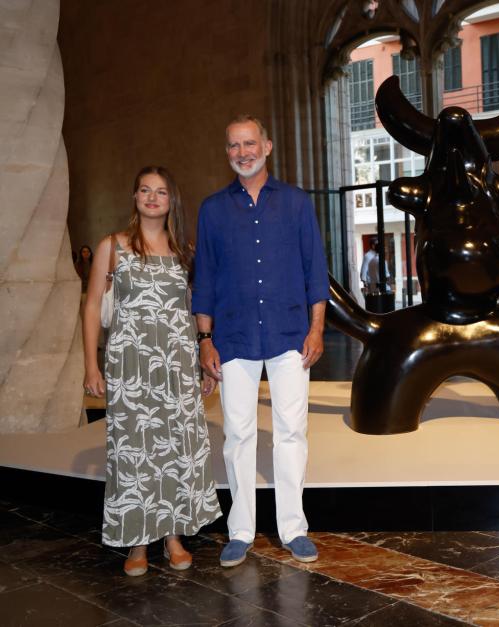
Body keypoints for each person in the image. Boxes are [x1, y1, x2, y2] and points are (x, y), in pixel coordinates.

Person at [193, 114, 329, 568]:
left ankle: (293, 528)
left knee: (291, 432)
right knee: (238, 435)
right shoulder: (212, 210)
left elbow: (315, 271)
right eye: (233, 145)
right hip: (232, 338)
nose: (242, 152)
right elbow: (205, 280)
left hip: (291, 334)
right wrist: (205, 340)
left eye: (249, 143)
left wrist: (317, 328)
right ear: (227, 151)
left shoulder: (295, 202)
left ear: (266, 147)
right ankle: (241, 530)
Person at [82, 166, 221, 576]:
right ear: (135, 196)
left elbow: (195, 308)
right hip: (130, 366)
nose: (152, 197)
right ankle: (137, 542)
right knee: (134, 451)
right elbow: (92, 306)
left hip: (176, 365)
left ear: (170, 200)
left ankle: (174, 536)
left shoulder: (184, 251)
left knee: (175, 447)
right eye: (145, 190)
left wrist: (203, 358)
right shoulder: (113, 246)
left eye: (160, 191)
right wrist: (92, 363)